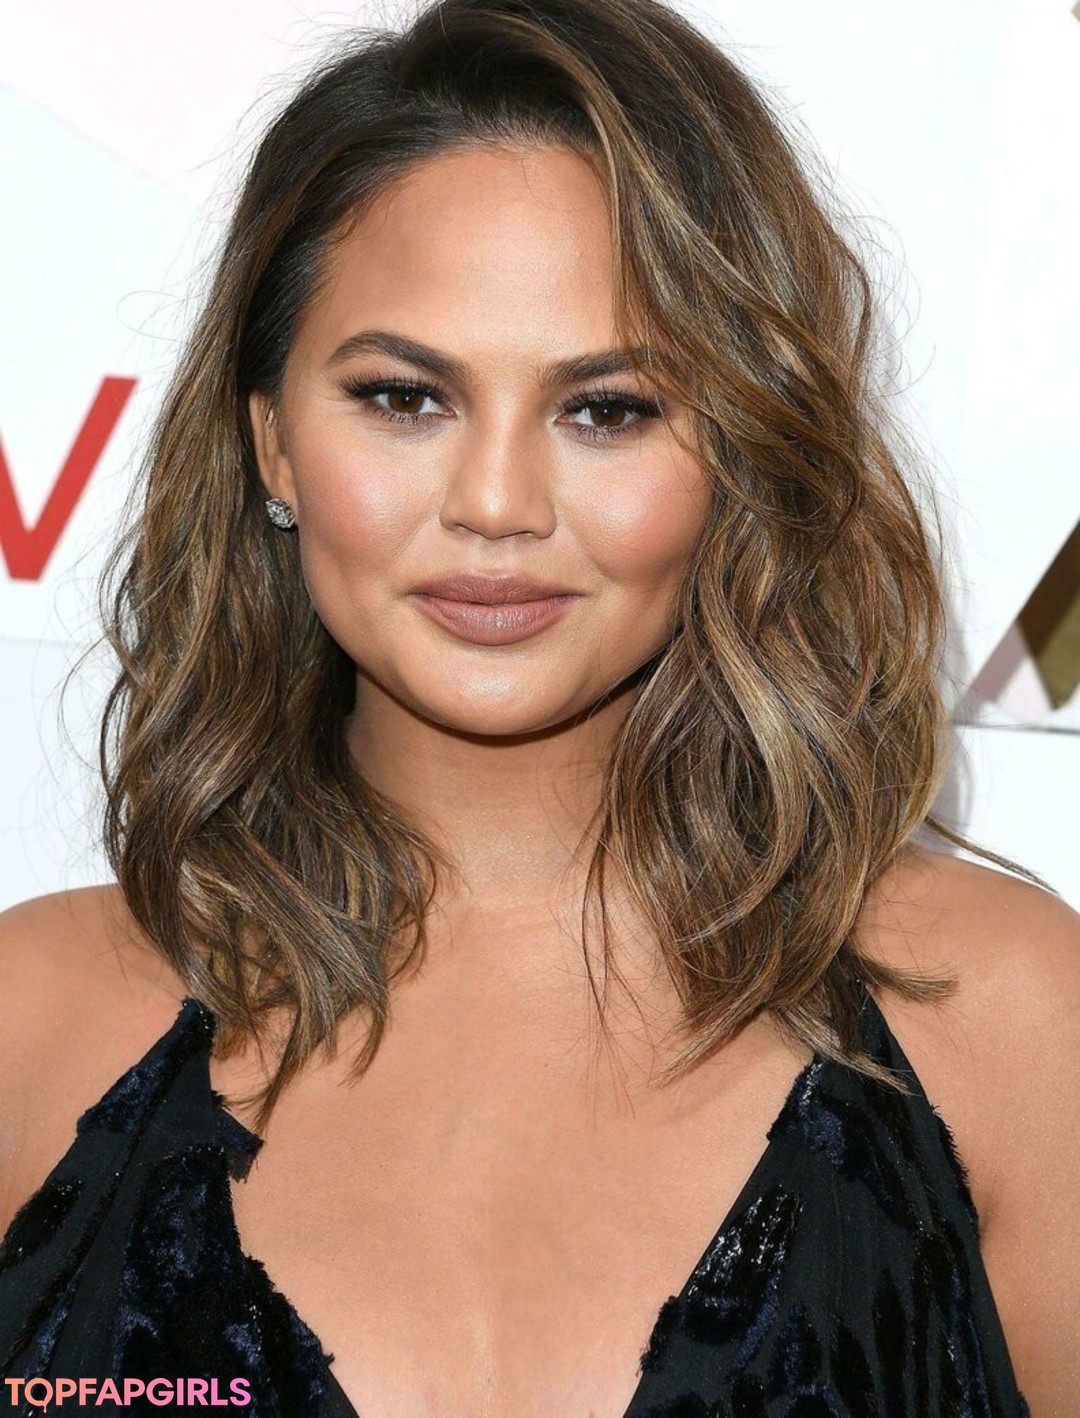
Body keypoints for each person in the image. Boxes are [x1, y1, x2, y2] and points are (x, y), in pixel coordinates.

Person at [0, 0, 1076, 1412]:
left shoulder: (1009, 1019)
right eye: (404, 398)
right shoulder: (33, 1025)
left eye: (607, 409)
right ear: (271, 440)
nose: (497, 504)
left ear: (742, 454)